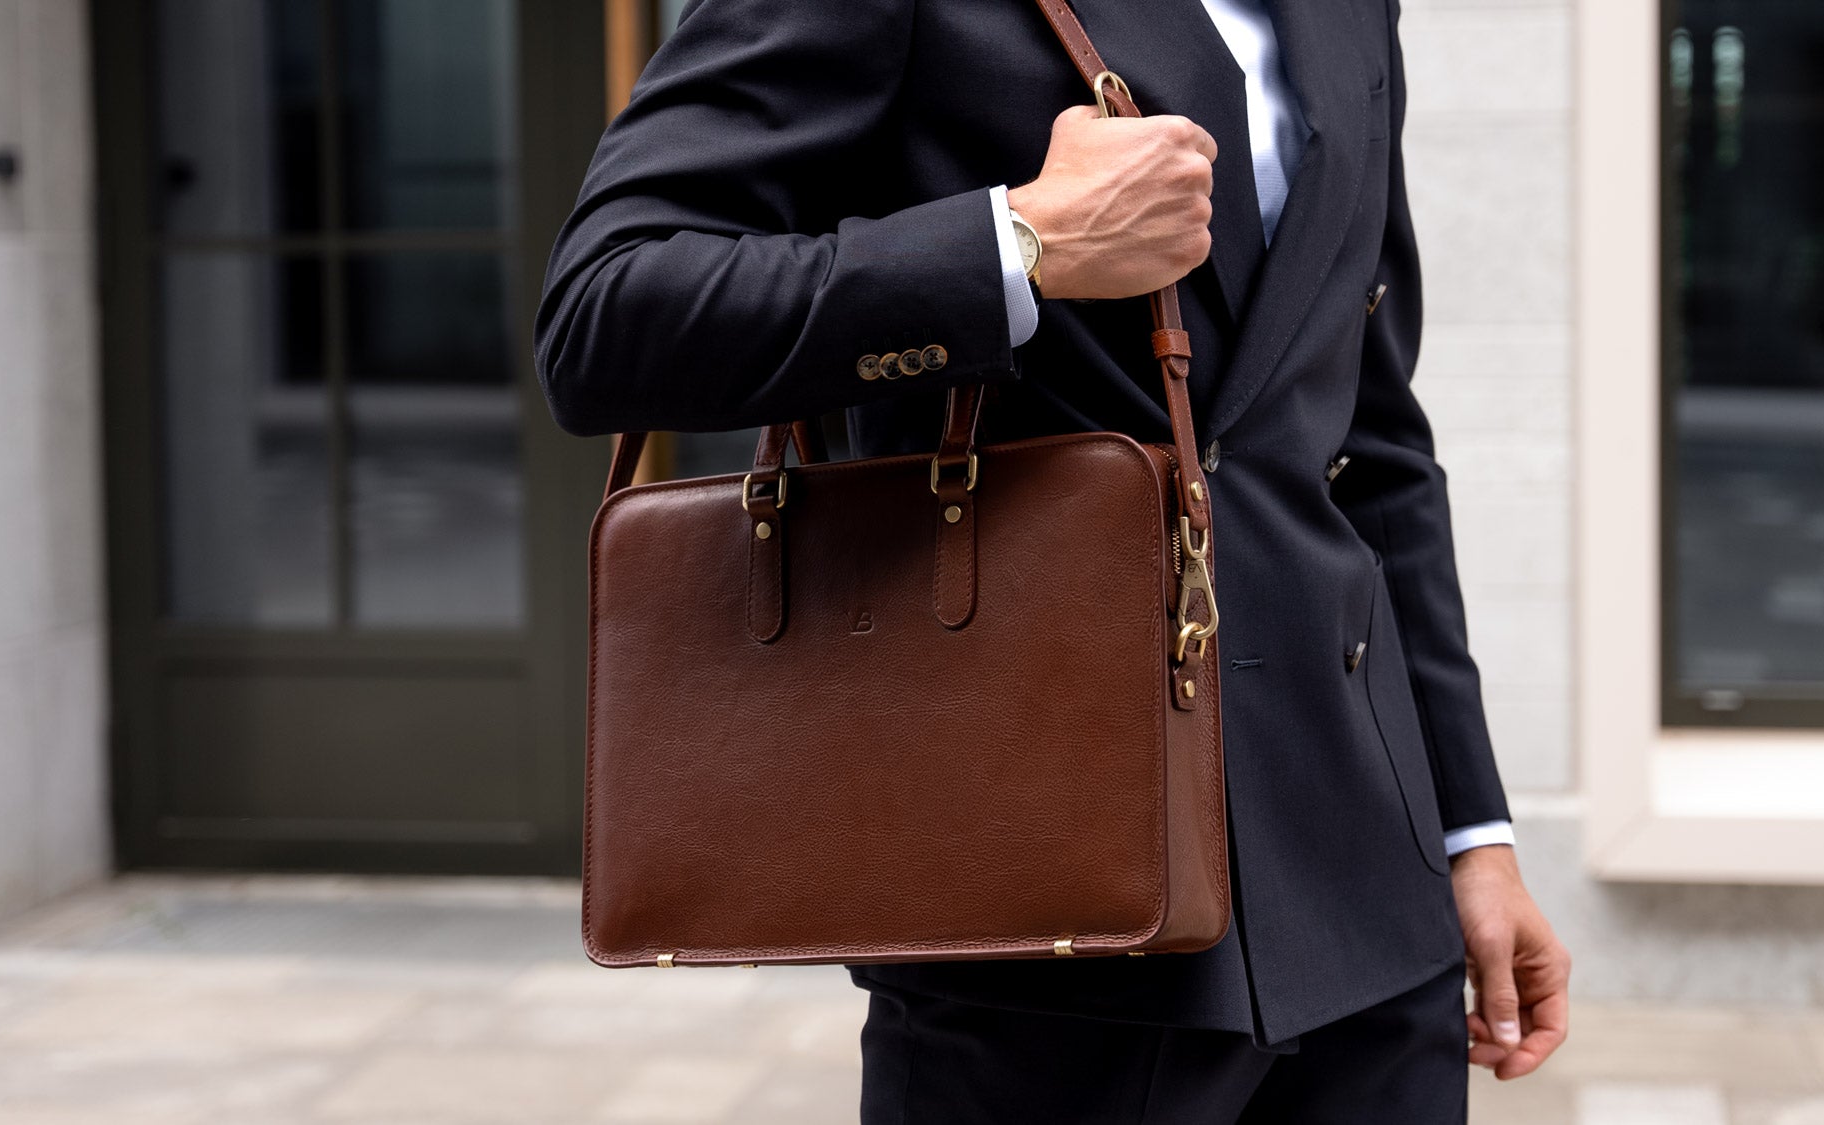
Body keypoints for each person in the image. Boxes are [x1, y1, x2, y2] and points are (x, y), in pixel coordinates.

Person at [535, 0, 1571, 1119]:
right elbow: (607, 312)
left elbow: (1363, 435)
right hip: (1041, 915)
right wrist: (1015, 247)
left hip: (1370, 906)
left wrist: (1471, 836)